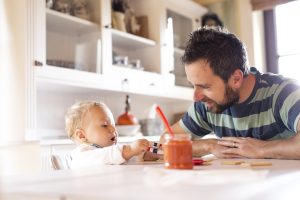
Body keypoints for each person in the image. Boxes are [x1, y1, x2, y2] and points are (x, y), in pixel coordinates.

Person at [157, 26, 300, 160]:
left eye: (205, 86)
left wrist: (263, 149)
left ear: (236, 79)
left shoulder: (282, 93)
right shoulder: (207, 105)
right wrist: (209, 145)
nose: (195, 97)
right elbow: (166, 141)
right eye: (193, 85)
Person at [65, 101, 150, 169]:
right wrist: (130, 149)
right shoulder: (81, 155)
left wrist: (142, 155)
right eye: (104, 125)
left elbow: (121, 159)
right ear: (81, 135)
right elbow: (107, 156)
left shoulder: (107, 151)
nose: (113, 129)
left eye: (113, 125)